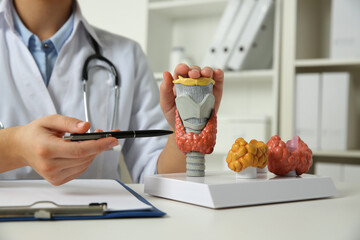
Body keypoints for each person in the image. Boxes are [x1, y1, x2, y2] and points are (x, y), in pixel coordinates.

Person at [0, 0, 224, 185]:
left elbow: (159, 179)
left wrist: (187, 129)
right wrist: (14, 147)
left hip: (101, 227)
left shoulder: (127, 55)